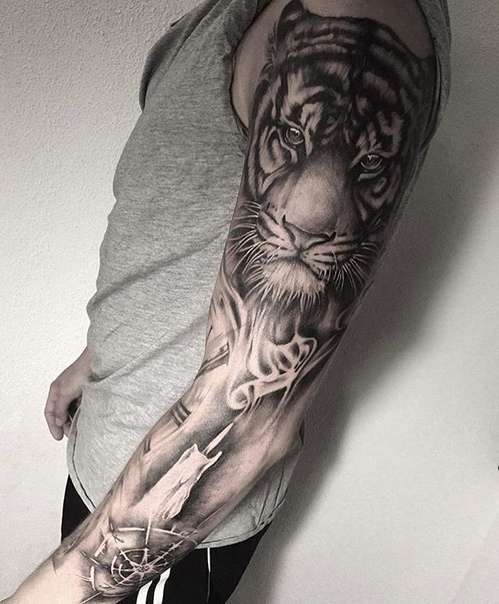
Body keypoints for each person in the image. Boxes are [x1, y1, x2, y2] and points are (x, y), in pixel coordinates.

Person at [4, 0, 451, 601]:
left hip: (175, 514)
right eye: (291, 136)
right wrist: (100, 353)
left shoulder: (354, 16)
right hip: (111, 445)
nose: (310, 217)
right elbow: (181, 213)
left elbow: (252, 417)